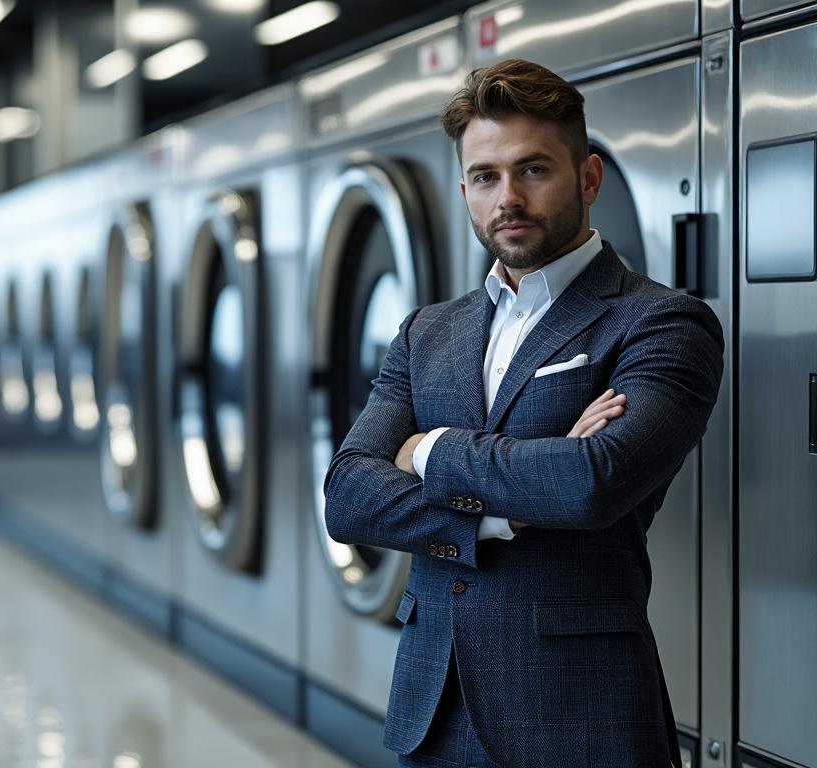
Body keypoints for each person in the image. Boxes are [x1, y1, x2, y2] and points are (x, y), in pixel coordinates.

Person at [323, 58, 723, 768]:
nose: (507, 197)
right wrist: (508, 509)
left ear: (588, 178)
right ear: (466, 190)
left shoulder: (660, 323)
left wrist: (429, 449)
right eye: (485, 176)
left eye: (533, 170)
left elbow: (590, 483)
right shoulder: (428, 333)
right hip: (434, 706)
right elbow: (349, 497)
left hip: (581, 716)